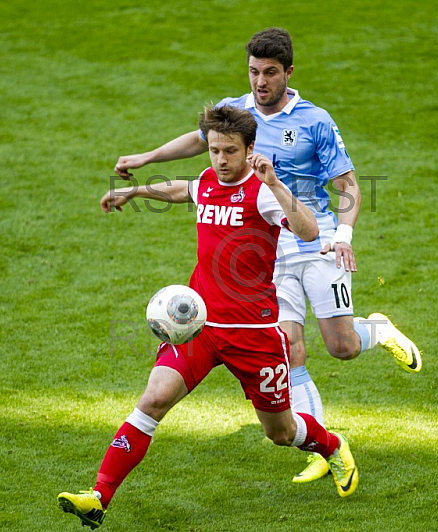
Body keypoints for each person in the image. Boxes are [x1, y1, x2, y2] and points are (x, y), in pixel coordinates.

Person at [110, 27, 422, 483]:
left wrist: (346, 236)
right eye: (254, 71)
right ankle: (321, 446)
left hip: (316, 240)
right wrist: (147, 157)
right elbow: (201, 141)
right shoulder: (236, 112)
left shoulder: (315, 120)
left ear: (288, 73)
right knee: (290, 346)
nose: (260, 82)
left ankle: (375, 329)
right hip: (265, 246)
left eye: (270, 73)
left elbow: (349, 185)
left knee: (340, 346)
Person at [57, 105, 359, 530]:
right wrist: (136, 191)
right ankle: (98, 496)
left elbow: (309, 230)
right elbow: (185, 189)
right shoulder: (208, 181)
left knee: (280, 431)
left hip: (253, 333)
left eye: (229, 151)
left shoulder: (261, 192)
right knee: (154, 398)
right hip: (198, 325)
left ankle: (330, 446)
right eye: (214, 150)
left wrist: (273, 181)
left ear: (250, 149)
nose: (219, 159)